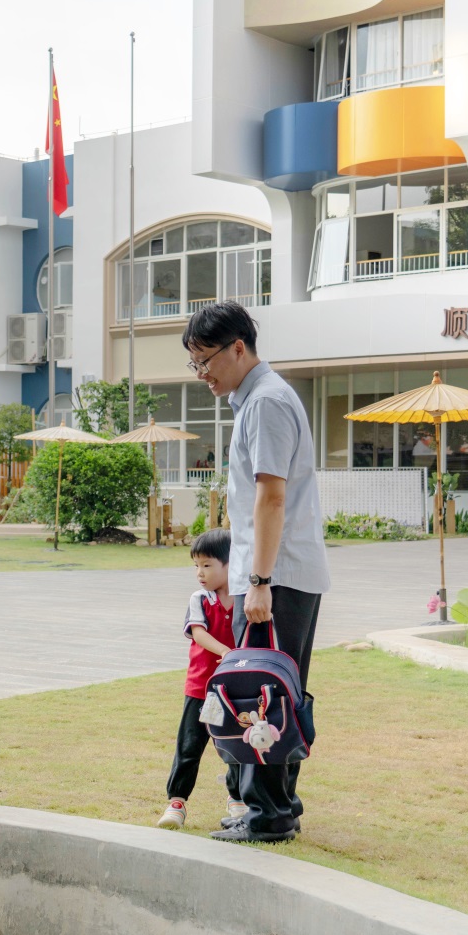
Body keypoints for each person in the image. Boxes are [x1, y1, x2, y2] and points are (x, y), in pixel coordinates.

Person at [183, 302, 330, 845]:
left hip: (277, 576)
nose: (202, 374)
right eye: (195, 364)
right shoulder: (259, 400)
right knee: (275, 692)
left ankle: (268, 814)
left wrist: (260, 581)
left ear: (238, 348)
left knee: (261, 694)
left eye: (205, 361)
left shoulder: (266, 402)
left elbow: (271, 496)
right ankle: (274, 806)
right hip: (278, 572)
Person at [159, 529, 251, 829]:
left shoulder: (246, 599)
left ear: (230, 564)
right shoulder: (200, 599)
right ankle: (176, 803)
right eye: (196, 565)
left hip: (235, 691)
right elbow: (198, 633)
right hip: (201, 689)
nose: (199, 572)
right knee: (189, 747)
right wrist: (226, 652)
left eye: (207, 565)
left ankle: (237, 799)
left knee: (237, 746)